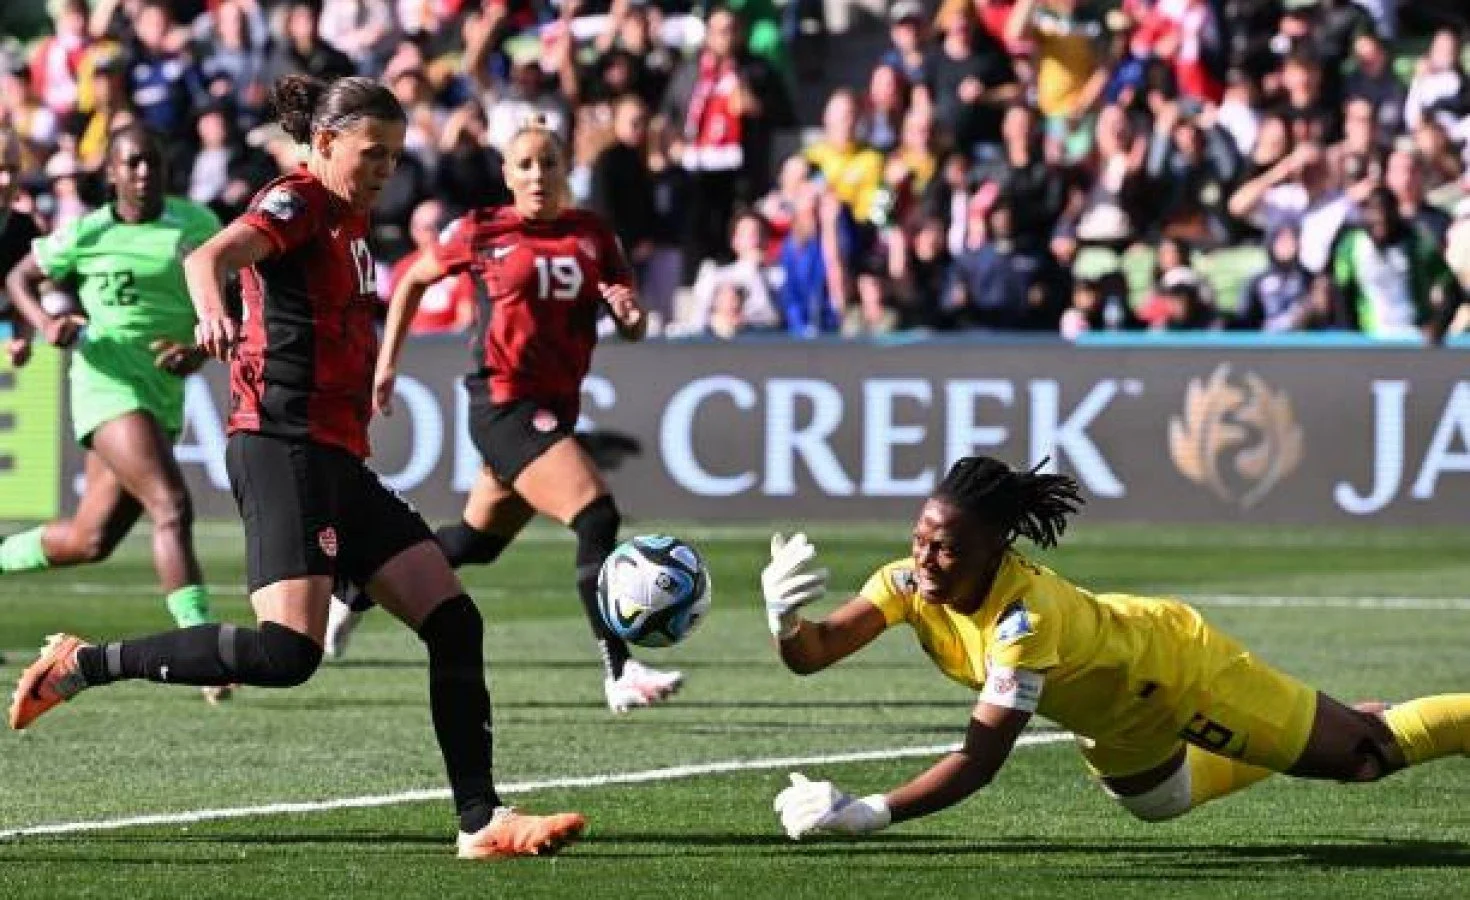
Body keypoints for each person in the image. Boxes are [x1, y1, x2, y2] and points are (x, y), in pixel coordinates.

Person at [7, 75, 585, 859]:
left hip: (336, 455)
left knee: (454, 621)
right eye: (372, 153)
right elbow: (212, 256)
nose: (386, 169)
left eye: (394, 155)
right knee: (287, 654)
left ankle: (480, 821)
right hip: (282, 446)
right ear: (325, 144)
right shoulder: (301, 199)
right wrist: (212, 309)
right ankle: (83, 665)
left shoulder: (349, 213)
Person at [763, 456, 1470, 840]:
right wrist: (786, 619)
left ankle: (1383, 726)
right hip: (1113, 717)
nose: (925, 559)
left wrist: (873, 810)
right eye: (920, 538)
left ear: (995, 549)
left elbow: (979, 761)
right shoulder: (905, 582)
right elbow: (814, 653)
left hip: (1178, 674)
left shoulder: (1023, 620)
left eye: (946, 548)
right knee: (1161, 802)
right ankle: (1309, 727)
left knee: (1364, 757)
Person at [332, 115, 685, 715]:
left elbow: (631, 324)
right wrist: (386, 363)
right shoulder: (483, 229)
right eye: (525, 164)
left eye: (548, 162)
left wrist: (631, 315)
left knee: (475, 542)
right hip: (503, 404)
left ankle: (358, 582)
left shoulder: (593, 234)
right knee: (596, 515)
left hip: (553, 409)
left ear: (565, 169)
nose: (537, 174)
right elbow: (412, 281)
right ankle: (619, 669)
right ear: (507, 174)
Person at [2, 124, 230, 705]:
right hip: (106, 384)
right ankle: (201, 649)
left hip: (162, 391)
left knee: (90, 539)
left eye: (152, 161)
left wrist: (199, 350)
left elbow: (230, 304)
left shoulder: (197, 225)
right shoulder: (89, 232)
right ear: (111, 172)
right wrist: (47, 323)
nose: (144, 172)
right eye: (132, 163)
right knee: (170, 505)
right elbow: (20, 275)